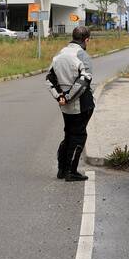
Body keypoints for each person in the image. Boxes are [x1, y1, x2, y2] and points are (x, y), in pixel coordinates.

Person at [46, 26, 95, 181]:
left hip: (64, 106)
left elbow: (49, 78)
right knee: (79, 136)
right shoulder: (83, 56)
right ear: (86, 39)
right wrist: (67, 97)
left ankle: (62, 169)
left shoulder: (60, 54)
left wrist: (59, 96)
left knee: (69, 134)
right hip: (81, 103)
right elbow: (84, 81)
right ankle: (70, 171)